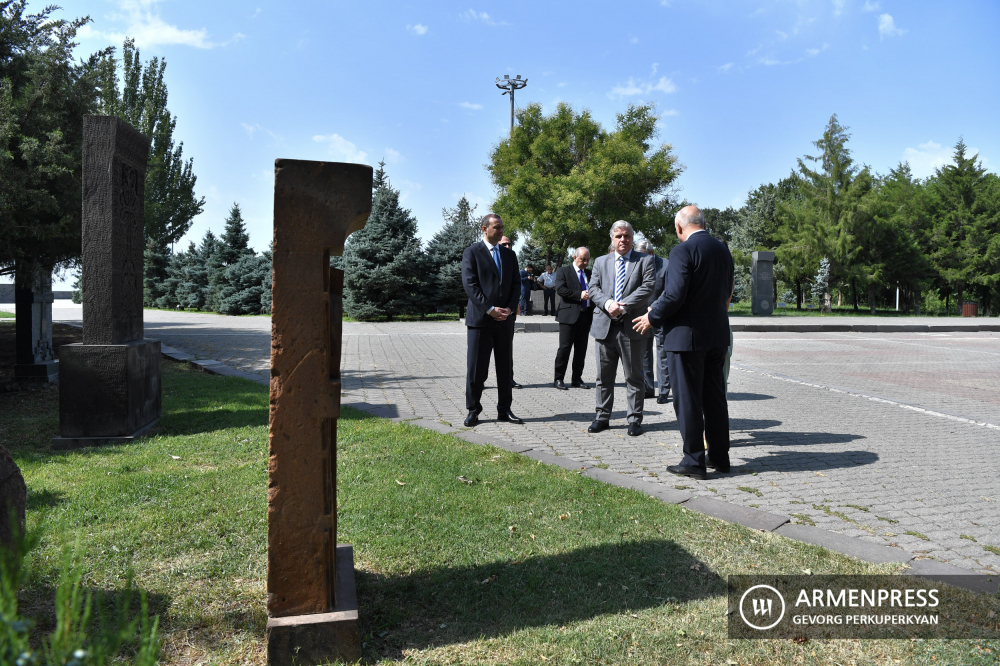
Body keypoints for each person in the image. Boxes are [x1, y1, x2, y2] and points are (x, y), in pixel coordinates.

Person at [632, 206, 735, 479]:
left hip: (686, 339)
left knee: (688, 400)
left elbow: (675, 294)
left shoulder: (682, 251)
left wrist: (652, 316)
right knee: (715, 399)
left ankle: (693, 461)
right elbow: (728, 290)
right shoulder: (723, 250)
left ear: (679, 228)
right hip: (716, 336)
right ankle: (720, 458)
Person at [588, 221, 655, 436]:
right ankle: (602, 417)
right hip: (604, 327)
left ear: (632, 238)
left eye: (626, 236)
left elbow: (647, 287)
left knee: (634, 377)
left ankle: (634, 420)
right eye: (618, 236)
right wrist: (608, 304)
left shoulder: (644, 260)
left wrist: (622, 306)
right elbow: (593, 288)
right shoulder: (600, 261)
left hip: (632, 326)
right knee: (603, 378)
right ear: (612, 239)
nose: (623, 240)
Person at [462, 215, 523, 427]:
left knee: (505, 368)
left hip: (504, 321)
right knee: (477, 368)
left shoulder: (509, 254)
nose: (500, 231)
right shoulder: (472, 252)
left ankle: (504, 410)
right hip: (480, 321)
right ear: (484, 229)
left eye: (502, 227)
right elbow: (470, 285)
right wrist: (489, 309)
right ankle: (473, 410)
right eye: (496, 227)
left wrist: (508, 308)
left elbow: (516, 284)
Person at [634, 240, 670, 404]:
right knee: (645, 353)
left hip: (661, 315)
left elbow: (669, 291)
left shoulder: (666, 266)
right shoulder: (637, 265)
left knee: (662, 354)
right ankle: (648, 389)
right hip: (642, 316)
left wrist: (653, 307)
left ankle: (663, 391)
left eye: (645, 256)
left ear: (652, 253)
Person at [552, 247, 593, 390]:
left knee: (581, 350)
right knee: (565, 348)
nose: (586, 263)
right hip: (568, 317)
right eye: (583, 259)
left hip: (585, 316)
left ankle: (577, 378)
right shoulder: (564, 271)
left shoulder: (589, 273)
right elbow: (561, 289)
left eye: (587, 260)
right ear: (575, 257)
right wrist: (579, 295)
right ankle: (558, 379)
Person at [499, 236, 522, 389]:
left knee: (506, 350)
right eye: (504, 243)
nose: (508, 246)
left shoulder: (512, 259)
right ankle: (480, 381)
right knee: (484, 352)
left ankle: (508, 379)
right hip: (488, 313)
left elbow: (516, 285)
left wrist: (511, 308)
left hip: (508, 314)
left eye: (509, 243)